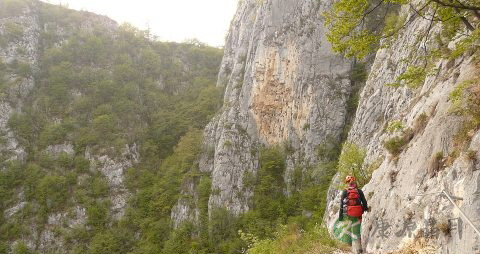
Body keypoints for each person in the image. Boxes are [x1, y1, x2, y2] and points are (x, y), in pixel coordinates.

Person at [338, 175, 368, 254]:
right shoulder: (359, 191)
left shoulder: (345, 192)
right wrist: (365, 209)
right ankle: (359, 249)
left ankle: (351, 248)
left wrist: (340, 216)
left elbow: (341, 205)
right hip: (358, 213)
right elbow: (364, 202)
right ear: (354, 182)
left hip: (349, 214)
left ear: (347, 183)